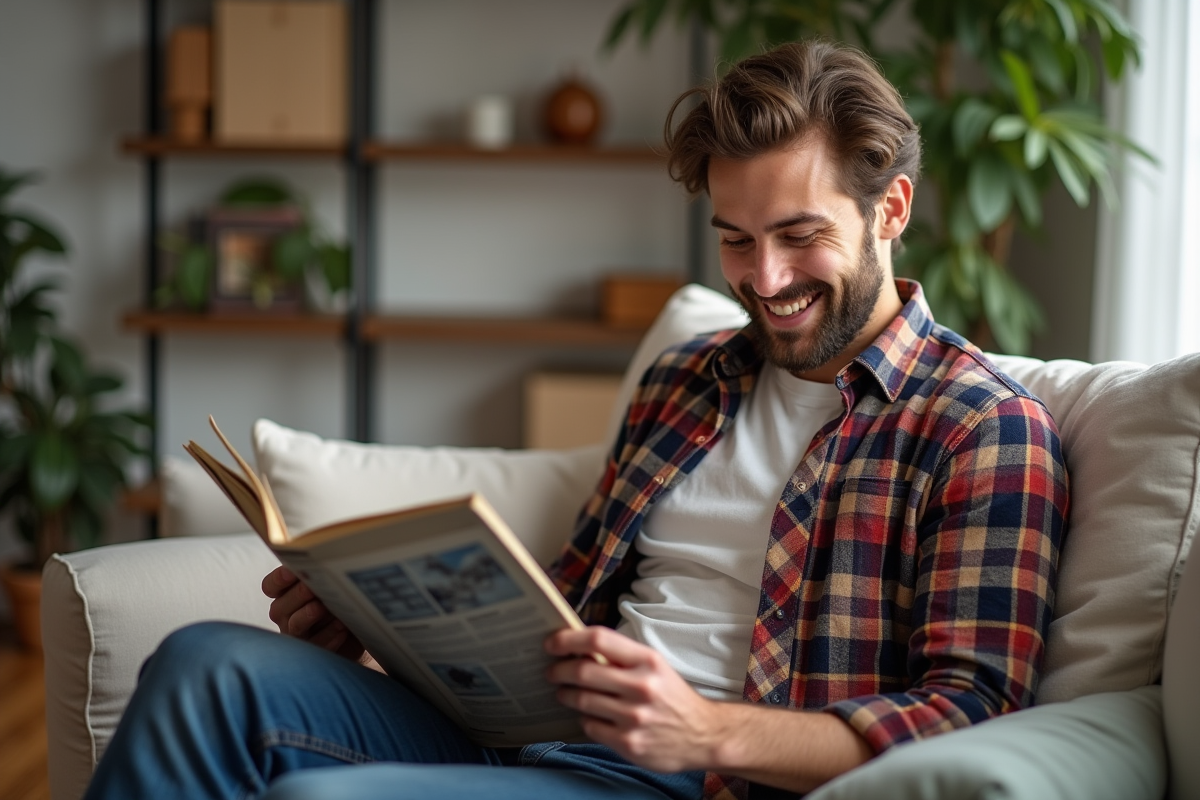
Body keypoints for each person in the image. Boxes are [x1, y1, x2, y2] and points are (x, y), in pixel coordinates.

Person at [84, 39, 1067, 800]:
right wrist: (380, 621)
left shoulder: (981, 430)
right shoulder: (688, 378)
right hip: (546, 733)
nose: (764, 281)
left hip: (695, 774)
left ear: (890, 209)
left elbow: (968, 713)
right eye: (735, 239)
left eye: (801, 237)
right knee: (204, 662)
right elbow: (569, 603)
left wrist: (708, 730)